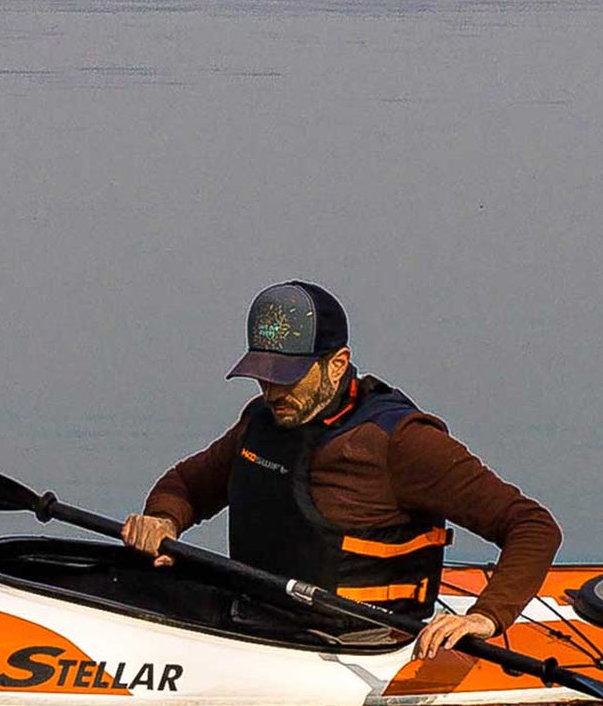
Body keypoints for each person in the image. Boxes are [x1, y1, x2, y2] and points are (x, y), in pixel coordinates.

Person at [120, 281, 561, 661]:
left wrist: (486, 617)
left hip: (364, 642)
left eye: (287, 376)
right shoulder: (260, 423)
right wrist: (163, 520)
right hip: (260, 620)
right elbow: (187, 484)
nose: (272, 391)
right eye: (263, 375)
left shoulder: (400, 441)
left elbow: (532, 526)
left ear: (336, 363)